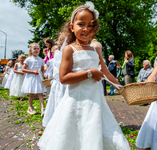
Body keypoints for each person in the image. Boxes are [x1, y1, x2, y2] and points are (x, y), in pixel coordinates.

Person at [38, 2, 130, 150]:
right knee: (75, 131)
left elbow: (106, 73)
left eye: (90, 26)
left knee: (93, 130)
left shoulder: (95, 50)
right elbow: (63, 78)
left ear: (95, 29)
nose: (86, 29)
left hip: (94, 100)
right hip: (75, 99)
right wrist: (89, 74)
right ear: (72, 27)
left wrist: (123, 89)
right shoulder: (69, 49)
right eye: (81, 24)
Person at [21, 43, 47, 116]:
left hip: (38, 78)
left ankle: (43, 109)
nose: (36, 50)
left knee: (40, 93)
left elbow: (42, 69)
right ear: (30, 50)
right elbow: (23, 69)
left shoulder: (41, 59)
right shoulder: (28, 59)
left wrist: (45, 73)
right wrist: (32, 72)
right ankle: (30, 108)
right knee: (31, 94)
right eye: (34, 49)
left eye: (38, 48)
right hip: (31, 78)